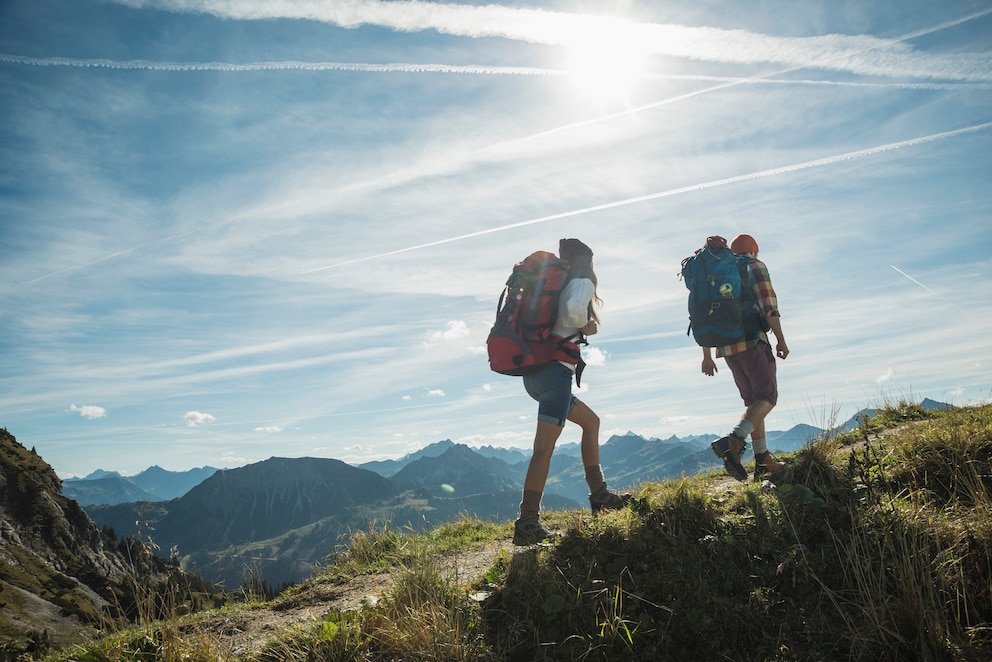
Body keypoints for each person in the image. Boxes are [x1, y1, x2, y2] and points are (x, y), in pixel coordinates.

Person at [513, 238, 631, 545]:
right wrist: (587, 327)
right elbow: (574, 312)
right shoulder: (581, 282)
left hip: (537, 374)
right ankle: (527, 522)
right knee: (544, 450)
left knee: (591, 423)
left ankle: (599, 495)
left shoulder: (557, 281)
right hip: (555, 375)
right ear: (588, 261)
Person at [702, 233, 790, 481]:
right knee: (767, 397)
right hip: (752, 341)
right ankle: (734, 439)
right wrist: (781, 339)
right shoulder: (754, 266)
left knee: (753, 403)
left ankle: (762, 460)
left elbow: (705, 315)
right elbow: (768, 305)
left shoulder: (718, 273)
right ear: (754, 251)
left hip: (726, 347)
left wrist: (707, 355)